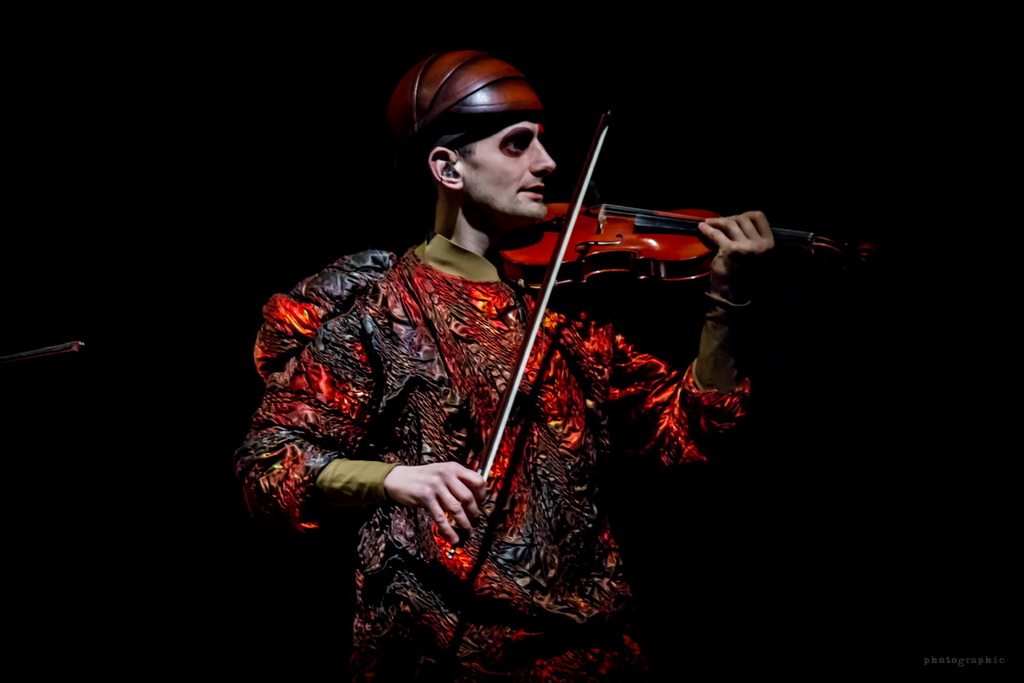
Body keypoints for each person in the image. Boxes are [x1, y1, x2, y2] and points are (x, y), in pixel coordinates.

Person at [235, 50, 773, 681]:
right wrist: (394, 479)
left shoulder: (564, 315)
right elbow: (269, 466)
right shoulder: (380, 307)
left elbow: (688, 434)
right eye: (518, 145)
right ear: (448, 167)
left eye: (542, 143)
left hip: (594, 653)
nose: (547, 164)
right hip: (441, 654)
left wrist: (726, 302)